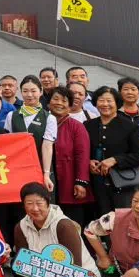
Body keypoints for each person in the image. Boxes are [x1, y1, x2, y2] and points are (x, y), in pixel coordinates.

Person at [12, 181, 98, 277]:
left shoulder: (63, 225)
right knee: (17, 265)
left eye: (39, 203)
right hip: (46, 272)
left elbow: (74, 268)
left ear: (48, 202)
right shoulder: (21, 226)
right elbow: (23, 259)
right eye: (29, 203)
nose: (35, 208)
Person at [85, 87, 139, 217]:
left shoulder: (130, 126)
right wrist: (88, 161)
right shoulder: (88, 125)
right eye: (101, 100)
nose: (105, 104)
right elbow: (82, 151)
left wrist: (115, 160)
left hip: (122, 184)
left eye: (109, 101)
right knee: (98, 222)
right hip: (95, 184)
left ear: (117, 103)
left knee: (121, 221)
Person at [46, 86, 91, 224]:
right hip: (48, 180)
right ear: (48, 103)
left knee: (72, 223)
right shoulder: (43, 123)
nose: (59, 103)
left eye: (64, 101)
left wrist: (81, 181)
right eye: (56, 99)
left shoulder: (76, 126)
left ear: (70, 106)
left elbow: (82, 155)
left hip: (69, 181)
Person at [16, 78, 55, 184]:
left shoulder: (49, 118)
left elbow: (47, 146)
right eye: (25, 91)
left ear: (41, 91)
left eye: (33, 91)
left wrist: (46, 174)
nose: (29, 95)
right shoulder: (12, 115)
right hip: (17, 168)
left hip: (40, 167)